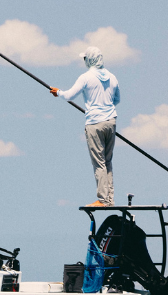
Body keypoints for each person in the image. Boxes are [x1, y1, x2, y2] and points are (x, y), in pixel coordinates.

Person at [50, 46, 120, 207]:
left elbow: (69, 96)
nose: (84, 61)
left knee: (99, 162)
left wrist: (58, 92)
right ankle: (109, 199)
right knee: (108, 161)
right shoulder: (113, 77)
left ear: (90, 60)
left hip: (95, 123)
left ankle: (102, 200)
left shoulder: (86, 77)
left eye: (85, 59)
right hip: (111, 121)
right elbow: (117, 100)